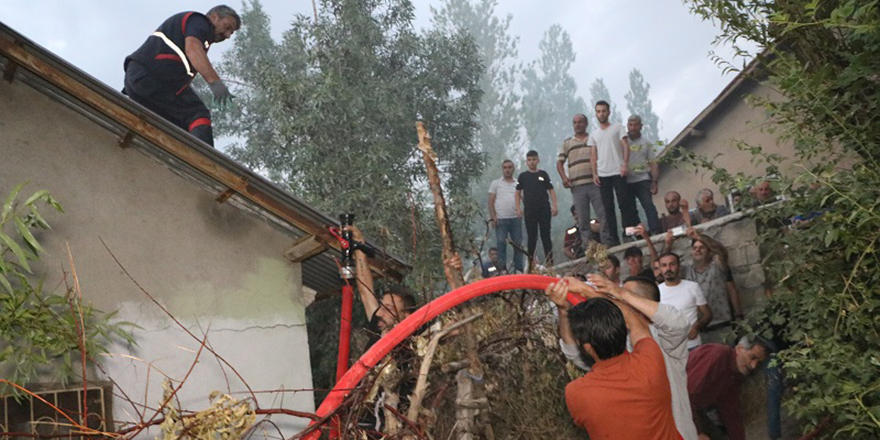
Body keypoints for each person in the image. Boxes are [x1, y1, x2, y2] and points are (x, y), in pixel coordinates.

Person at [547, 280, 682, 440]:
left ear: (589, 349)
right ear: (624, 331)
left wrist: (564, 310)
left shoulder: (576, 392)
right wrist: (589, 291)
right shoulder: (651, 360)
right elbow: (636, 323)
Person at [123, 6, 240, 146]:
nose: (227, 35)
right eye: (227, 28)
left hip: (139, 82)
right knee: (198, 114)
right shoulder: (200, 22)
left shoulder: (198, 35)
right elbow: (193, 49)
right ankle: (202, 163)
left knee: (180, 126)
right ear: (214, 17)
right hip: (151, 77)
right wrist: (216, 84)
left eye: (231, 33)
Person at [666, 227, 743, 343]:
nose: (697, 250)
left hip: (722, 327)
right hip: (698, 332)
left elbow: (722, 251)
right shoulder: (686, 271)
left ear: (709, 251)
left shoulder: (717, 266)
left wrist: (698, 237)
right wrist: (668, 244)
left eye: (702, 248)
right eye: (695, 248)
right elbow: (665, 265)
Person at [687, 336, 771, 440]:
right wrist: (697, 433)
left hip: (691, 407)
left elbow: (731, 414)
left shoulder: (734, 374)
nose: (753, 366)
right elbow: (686, 395)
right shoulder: (717, 355)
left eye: (758, 362)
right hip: (673, 401)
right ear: (739, 349)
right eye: (752, 357)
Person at [590, 101, 638, 246]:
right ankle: (614, 238)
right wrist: (594, 173)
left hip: (618, 170)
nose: (601, 114)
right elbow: (593, 155)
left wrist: (625, 164)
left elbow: (625, 145)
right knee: (607, 207)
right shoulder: (594, 134)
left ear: (609, 112)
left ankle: (627, 233)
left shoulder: (617, 127)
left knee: (624, 203)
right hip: (603, 174)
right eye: (598, 111)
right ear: (596, 113)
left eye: (604, 111)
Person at [557, 114, 610, 246]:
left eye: (580, 122)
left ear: (586, 123)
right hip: (577, 186)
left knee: (603, 215)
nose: (577, 125)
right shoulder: (567, 143)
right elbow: (559, 163)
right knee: (583, 219)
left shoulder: (594, 139)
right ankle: (589, 248)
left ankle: (607, 243)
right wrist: (564, 178)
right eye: (574, 122)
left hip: (595, 183)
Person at [657, 252, 712, 350]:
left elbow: (707, 315)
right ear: (660, 269)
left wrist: (696, 327)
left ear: (678, 266)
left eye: (672, 264)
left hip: (693, 346)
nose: (668, 269)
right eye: (664, 265)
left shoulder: (692, 287)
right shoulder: (656, 292)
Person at [516, 150, 558, 265]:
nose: (532, 162)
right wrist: (518, 208)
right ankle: (531, 263)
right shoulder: (523, 176)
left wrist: (554, 206)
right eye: (529, 160)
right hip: (530, 211)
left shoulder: (543, 174)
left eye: (534, 159)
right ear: (526, 162)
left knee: (546, 236)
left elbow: (551, 190)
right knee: (532, 237)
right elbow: (517, 192)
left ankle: (550, 262)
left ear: (538, 160)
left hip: (544, 209)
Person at [625, 115, 662, 234]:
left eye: (636, 125)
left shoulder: (646, 143)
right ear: (627, 125)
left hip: (642, 179)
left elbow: (653, 163)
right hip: (626, 180)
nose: (633, 127)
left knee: (648, 205)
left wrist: (654, 182)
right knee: (629, 210)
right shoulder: (622, 141)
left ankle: (655, 230)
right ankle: (635, 234)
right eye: (630, 125)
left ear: (641, 126)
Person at [488, 160, 524, 273]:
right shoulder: (496, 183)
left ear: (513, 169)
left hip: (515, 218)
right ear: (502, 169)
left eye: (509, 167)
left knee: (518, 244)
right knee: (501, 243)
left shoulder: (518, 183)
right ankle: (502, 269)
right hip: (501, 219)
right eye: (505, 167)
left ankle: (518, 269)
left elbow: (524, 198)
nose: (507, 169)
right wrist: (493, 217)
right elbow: (491, 201)